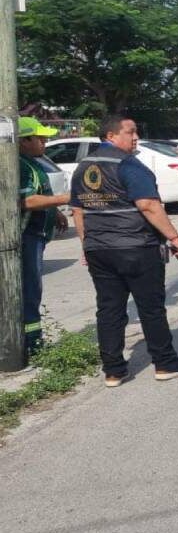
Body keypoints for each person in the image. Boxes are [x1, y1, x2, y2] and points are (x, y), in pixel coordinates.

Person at [69, 116, 178, 386]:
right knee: (150, 308)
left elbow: (78, 211)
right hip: (136, 247)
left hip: (99, 249)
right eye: (130, 132)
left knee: (109, 310)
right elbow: (148, 205)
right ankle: (165, 363)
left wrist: (86, 244)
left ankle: (113, 370)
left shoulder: (83, 167)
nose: (135, 136)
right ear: (112, 136)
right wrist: (174, 237)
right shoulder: (128, 165)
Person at [18, 117, 71, 361]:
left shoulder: (33, 163)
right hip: (26, 238)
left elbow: (41, 194)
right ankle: (32, 345)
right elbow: (25, 201)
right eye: (40, 138)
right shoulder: (18, 165)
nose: (45, 142)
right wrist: (64, 199)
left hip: (37, 237)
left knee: (33, 288)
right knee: (30, 290)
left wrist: (55, 212)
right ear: (23, 141)